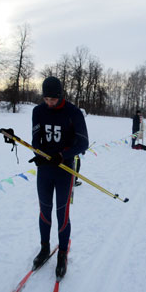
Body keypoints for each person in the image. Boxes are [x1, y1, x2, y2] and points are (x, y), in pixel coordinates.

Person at [29, 76, 89, 278]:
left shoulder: (73, 112)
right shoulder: (38, 111)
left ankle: (62, 252)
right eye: (46, 99)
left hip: (65, 169)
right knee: (44, 210)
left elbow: (83, 143)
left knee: (62, 213)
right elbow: (36, 140)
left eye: (53, 99)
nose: (49, 103)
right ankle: (45, 247)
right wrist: (38, 154)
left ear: (60, 95)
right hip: (45, 170)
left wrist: (63, 155)